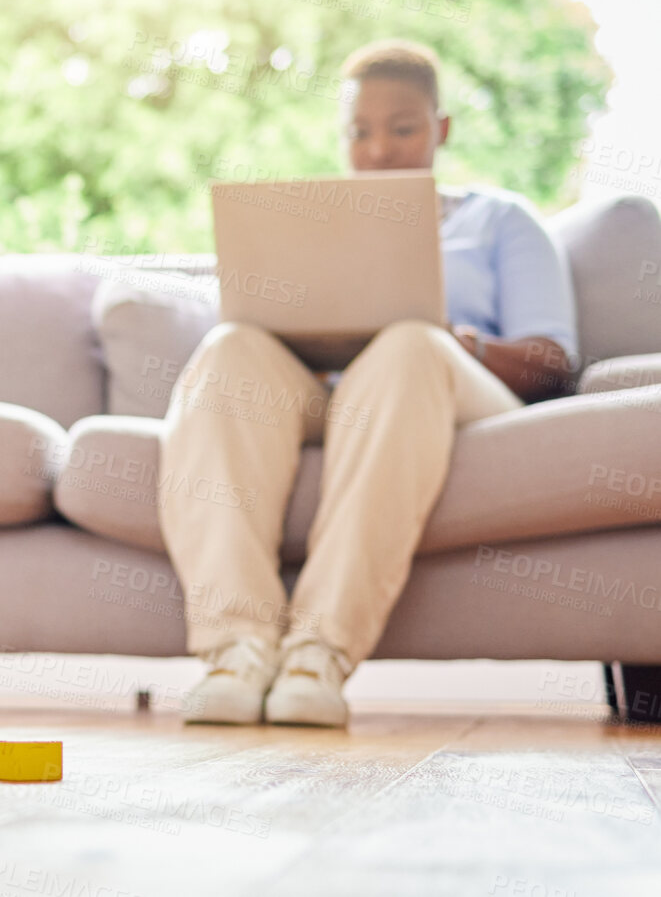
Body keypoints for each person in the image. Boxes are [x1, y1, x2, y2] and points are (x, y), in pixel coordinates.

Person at [160, 39, 578, 728]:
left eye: (401, 128)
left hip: (444, 386)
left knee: (408, 345)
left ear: (439, 129)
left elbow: (553, 363)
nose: (378, 149)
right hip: (328, 391)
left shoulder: (499, 220)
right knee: (228, 348)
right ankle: (235, 651)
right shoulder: (315, 225)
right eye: (359, 132)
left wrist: (450, 336)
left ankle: (316, 656)